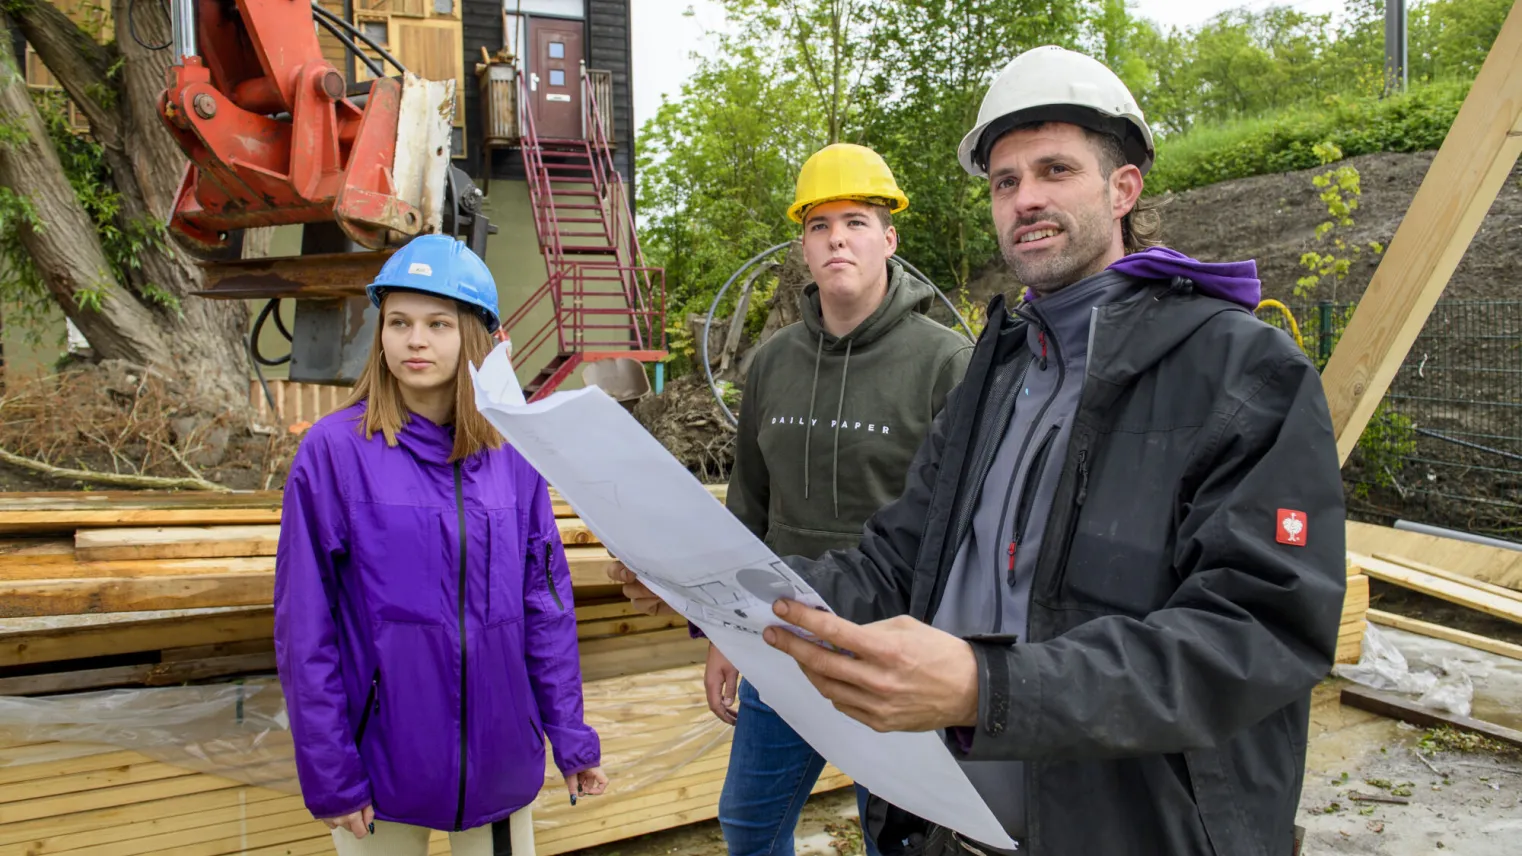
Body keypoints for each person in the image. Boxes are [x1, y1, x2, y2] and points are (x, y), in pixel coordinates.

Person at [614, 46, 1346, 856]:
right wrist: (715, 587)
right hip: (954, 829)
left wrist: (984, 687)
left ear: (1124, 188)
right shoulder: (998, 375)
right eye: (1005, 181)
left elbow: (1257, 631)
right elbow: (894, 565)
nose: (1026, 198)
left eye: (1055, 170)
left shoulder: (1242, 372)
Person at [275, 235, 608, 856]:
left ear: (475, 337)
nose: (415, 340)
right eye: (397, 322)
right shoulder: (333, 453)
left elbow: (546, 608)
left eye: (437, 323)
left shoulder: (514, 453)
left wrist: (570, 736)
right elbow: (305, 629)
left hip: (499, 760)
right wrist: (332, 776)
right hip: (380, 764)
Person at [708, 142, 973, 856]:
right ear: (802, 245)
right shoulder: (774, 362)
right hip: (782, 638)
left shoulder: (947, 363)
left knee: (900, 837)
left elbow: (970, 524)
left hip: (893, 651)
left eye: (855, 221)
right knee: (749, 827)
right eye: (819, 225)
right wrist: (726, 636)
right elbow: (749, 504)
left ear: (888, 237)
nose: (837, 239)